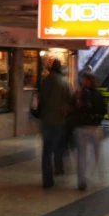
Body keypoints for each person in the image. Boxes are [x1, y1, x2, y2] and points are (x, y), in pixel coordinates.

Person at [38, 59, 72, 188]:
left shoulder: (45, 81)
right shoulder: (64, 82)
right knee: (58, 147)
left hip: (46, 119)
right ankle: (59, 168)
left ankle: (47, 180)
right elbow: (70, 100)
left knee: (46, 150)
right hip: (60, 120)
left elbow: (40, 99)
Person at [69, 70, 105, 191]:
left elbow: (72, 108)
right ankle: (90, 177)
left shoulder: (78, 94)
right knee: (95, 153)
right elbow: (102, 110)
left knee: (82, 155)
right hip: (94, 127)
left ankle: (82, 180)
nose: (83, 81)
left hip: (81, 127)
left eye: (84, 79)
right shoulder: (98, 94)